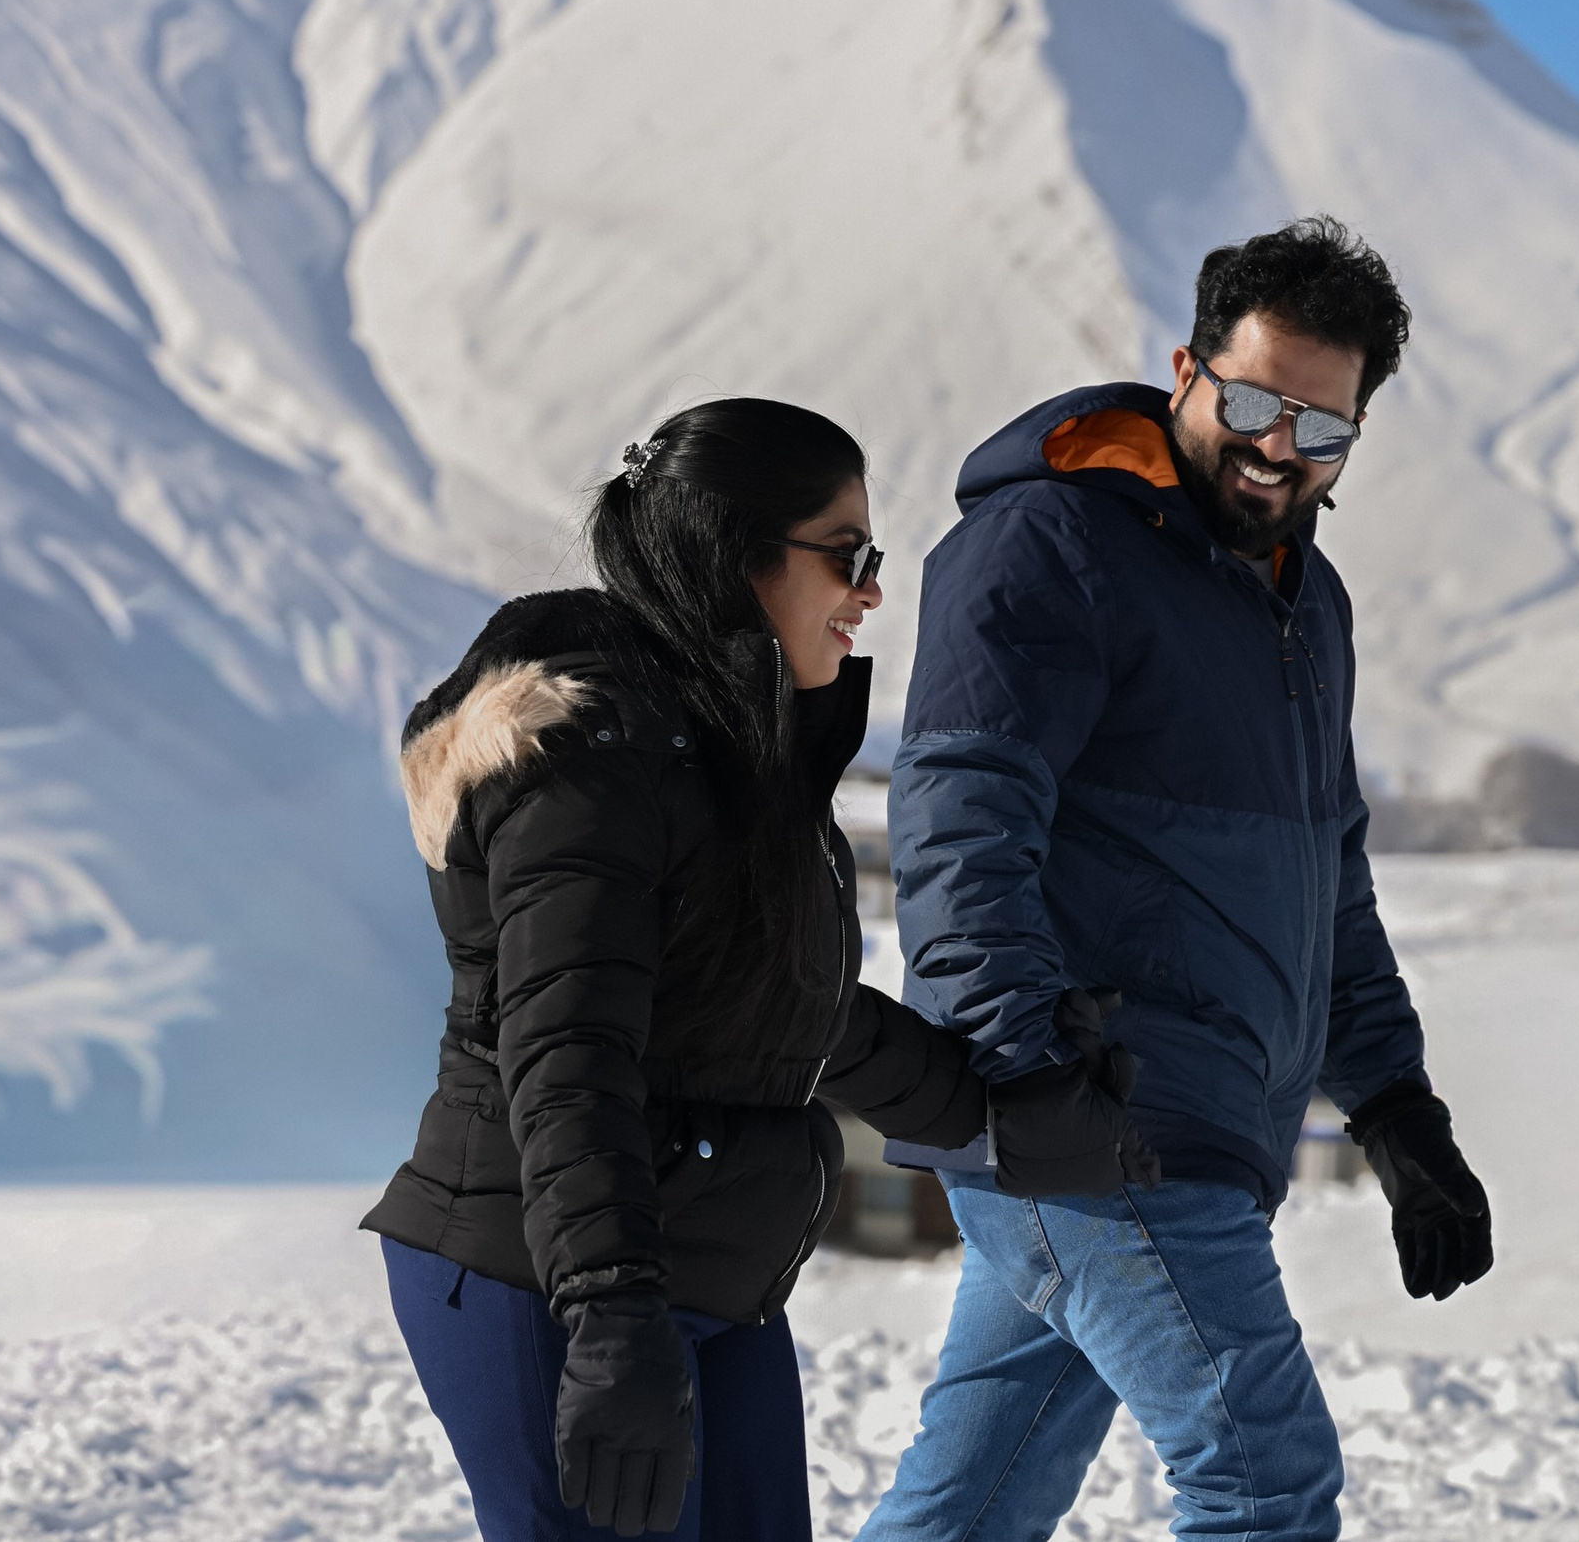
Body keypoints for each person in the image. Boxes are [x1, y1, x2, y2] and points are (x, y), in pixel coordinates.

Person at [860, 218, 1495, 1541]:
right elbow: (960, 819)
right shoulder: (1052, 545)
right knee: (1265, 1482)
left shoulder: (1302, 605)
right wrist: (1028, 1069)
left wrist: (1396, 1110)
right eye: (1255, 403)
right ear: (1186, 370)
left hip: (1183, 1124)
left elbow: (1324, 881)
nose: (1278, 450)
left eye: (1320, 430)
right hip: (1098, 1118)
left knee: (972, 1506)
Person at [362, 399, 987, 1541]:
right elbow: (566, 1053)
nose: (872, 592)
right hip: (548, 1279)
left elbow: (779, 1006)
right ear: (733, 557)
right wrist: (608, 1316)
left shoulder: (730, 745)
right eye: (846, 555)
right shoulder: (591, 761)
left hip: (701, 1284)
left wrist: (1002, 1106)